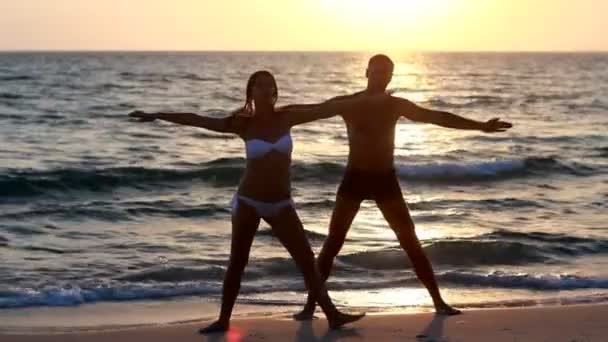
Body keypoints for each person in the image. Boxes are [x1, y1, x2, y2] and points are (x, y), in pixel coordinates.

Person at [128, 70, 375, 333]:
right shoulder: (242, 124)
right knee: (238, 262)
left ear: (274, 91)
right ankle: (223, 320)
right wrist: (157, 115)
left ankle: (333, 315)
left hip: (281, 203)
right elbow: (199, 120)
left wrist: (368, 97)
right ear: (251, 92)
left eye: (270, 85)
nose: (265, 89)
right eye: (259, 85)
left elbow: (326, 108)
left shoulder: (288, 116)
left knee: (305, 258)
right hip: (249, 201)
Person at [293, 54, 513, 320]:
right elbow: (308, 111)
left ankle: (438, 302)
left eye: (385, 72)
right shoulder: (348, 104)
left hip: (385, 180)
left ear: (391, 77)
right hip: (354, 179)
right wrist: (267, 113)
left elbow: (437, 117)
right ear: (366, 73)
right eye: (375, 71)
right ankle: (309, 307)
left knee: (410, 242)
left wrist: (480, 127)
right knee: (333, 243)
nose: (380, 76)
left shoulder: (396, 105)